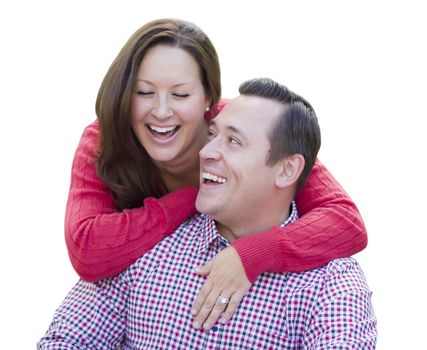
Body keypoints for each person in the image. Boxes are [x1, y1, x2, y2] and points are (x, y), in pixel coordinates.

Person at [65, 18, 367, 328]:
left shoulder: (244, 129)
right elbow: (87, 250)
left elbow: (344, 222)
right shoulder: (104, 141)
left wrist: (250, 254)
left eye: (181, 95)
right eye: (143, 92)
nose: (162, 111)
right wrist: (191, 197)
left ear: (208, 98)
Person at [39, 78, 376, 349]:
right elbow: (63, 341)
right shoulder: (149, 244)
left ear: (287, 170)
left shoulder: (332, 285)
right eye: (213, 134)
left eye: (233, 142)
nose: (206, 151)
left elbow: (348, 221)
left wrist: (253, 254)